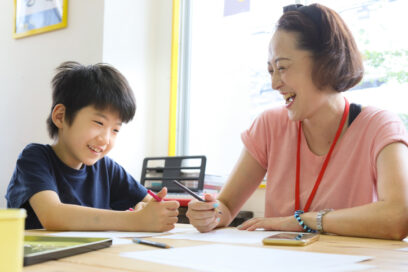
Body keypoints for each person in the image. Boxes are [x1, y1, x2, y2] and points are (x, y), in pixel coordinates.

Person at [186, 3, 408, 240]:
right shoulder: (269, 125)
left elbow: (398, 217)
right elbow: (226, 206)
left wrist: (303, 221)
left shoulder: (379, 126)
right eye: (271, 70)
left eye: (282, 67)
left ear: (326, 62)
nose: (274, 84)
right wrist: (211, 214)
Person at [6, 61, 179, 231]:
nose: (105, 139)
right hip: (37, 259)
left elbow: (152, 206)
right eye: (98, 123)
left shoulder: (106, 168)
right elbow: (53, 215)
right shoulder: (35, 158)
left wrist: (198, 214)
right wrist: (134, 220)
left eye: (115, 130)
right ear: (60, 117)